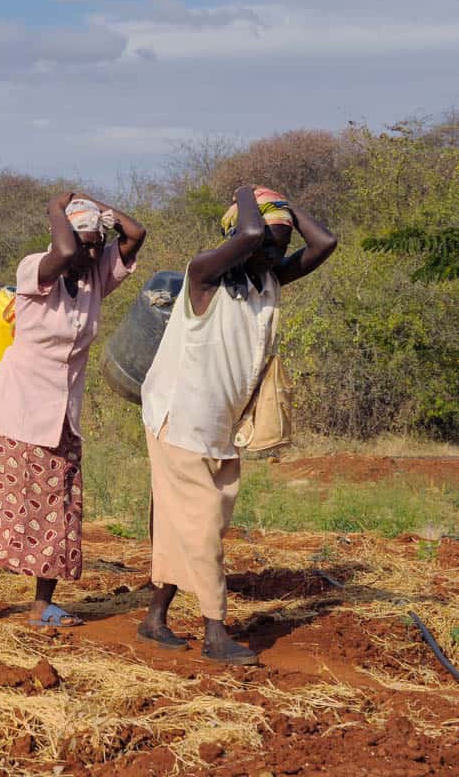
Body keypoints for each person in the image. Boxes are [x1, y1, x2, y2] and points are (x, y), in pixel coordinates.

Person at [138, 186, 337, 665]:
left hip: (219, 428)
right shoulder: (202, 278)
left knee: (183, 524)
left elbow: (324, 244)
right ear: (237, 241)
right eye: (264, 245)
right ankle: (215, 632)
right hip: (178, 419)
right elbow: (250, 230)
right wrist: (251, 193)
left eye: (280, 246)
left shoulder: (267, 283)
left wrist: (284, 204)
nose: (273, 253)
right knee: (203, 524)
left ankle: (153, 619)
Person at [0, 193, 146, 628]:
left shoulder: (93, 280)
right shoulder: (34, 268)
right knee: (6, 501)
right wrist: (57, 207)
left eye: (98, 244)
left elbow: (136, 234)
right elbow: (63, 250)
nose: (92, 252)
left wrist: (95, 209)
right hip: (15, 408)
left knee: (60, 510)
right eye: (84, 243)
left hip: (62, 413)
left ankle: (42, 606)